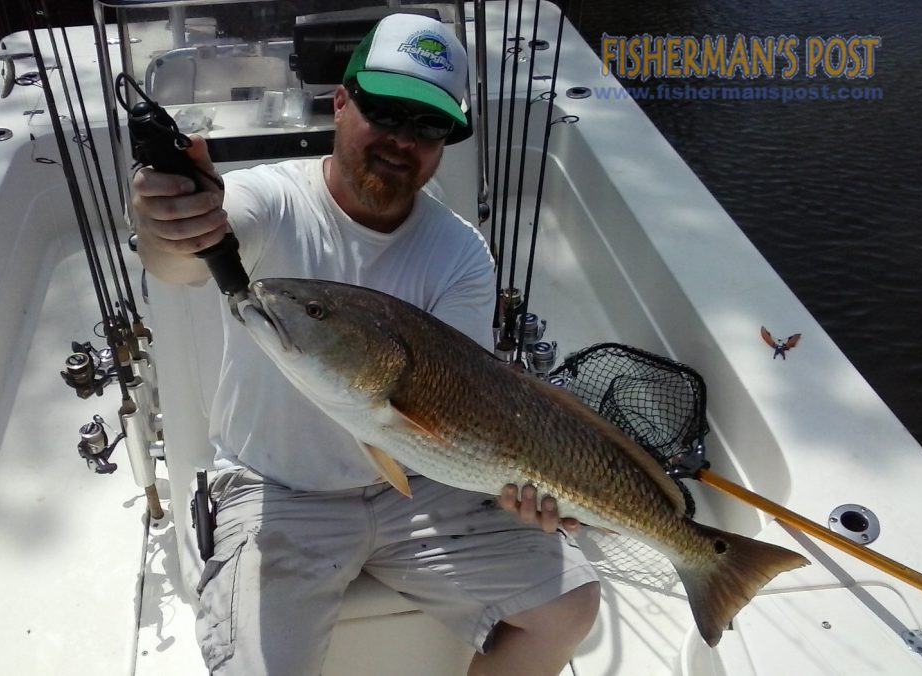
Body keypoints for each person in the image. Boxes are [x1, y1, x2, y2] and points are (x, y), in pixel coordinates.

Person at [132, 13, 599, 675]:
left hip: (418, 486)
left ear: (444, 143)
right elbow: (184, 257)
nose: (399, 140)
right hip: (278, 491)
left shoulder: (461, 251)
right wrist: (169, 225)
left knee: (570, 609)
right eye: (382, 110)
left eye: (427, 125)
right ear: (341, 102)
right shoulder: (272, 200)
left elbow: (464, 410)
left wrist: (530, 488)